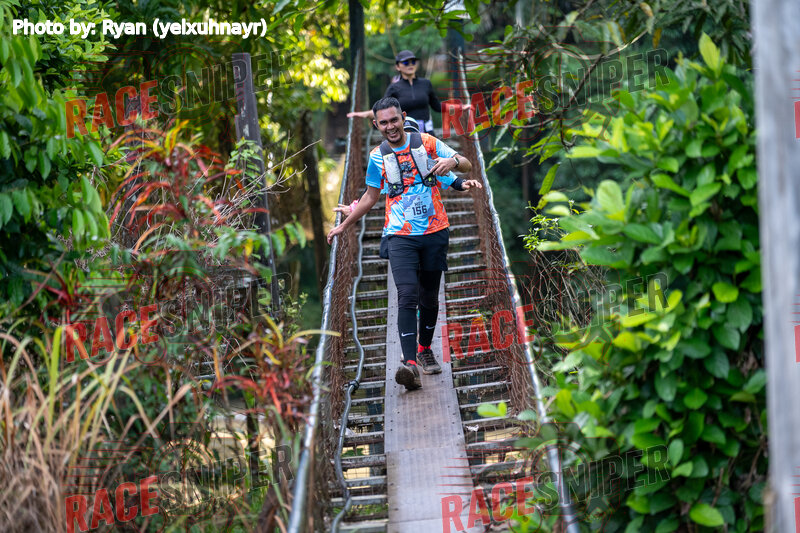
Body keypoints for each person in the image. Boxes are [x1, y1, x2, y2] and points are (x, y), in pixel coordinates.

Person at [328, 97, 482, 391]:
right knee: (407, 295)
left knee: (429, 298)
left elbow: (466, 163)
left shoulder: (427, 142)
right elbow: (371, 196)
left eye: (394, 120)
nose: (390, 127)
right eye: (384, 123)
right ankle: (409, 364)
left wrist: (452, 162)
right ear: (376, 125)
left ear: (403, 117)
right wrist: (344, 226)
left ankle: (424, 350)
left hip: (435, 231)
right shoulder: (377, 157)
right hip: (399, 235)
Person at [347, 50, 442, 134]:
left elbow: (437, 106)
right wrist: (365, 114)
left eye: (413, 62)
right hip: (406, 132)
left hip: (426, 131)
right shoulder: (394, 87)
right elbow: (383, 108)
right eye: (406, 62)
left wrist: (451, 107)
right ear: (397, 66)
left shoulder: (426, 83)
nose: (410, 65)